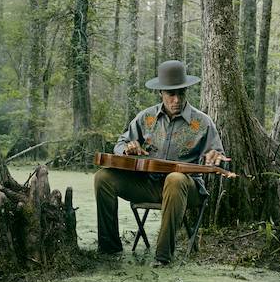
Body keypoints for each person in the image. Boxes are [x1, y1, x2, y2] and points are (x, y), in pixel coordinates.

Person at [94, 60, 231, 266]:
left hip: (186, 188)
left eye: (181, 93)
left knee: (175, 179)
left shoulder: (202, 122)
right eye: (171, 94)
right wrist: (127, 148)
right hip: (149, 184)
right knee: (103, 177)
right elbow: (120, 143)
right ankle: (109, 249)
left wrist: (216, 157)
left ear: (186, 91)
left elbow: (219, 158)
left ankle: (163, 257)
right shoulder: (146, 117)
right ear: (161, 93)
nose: (176, 100)